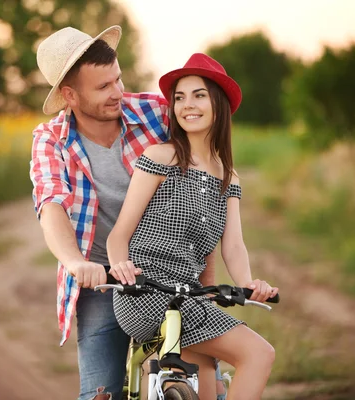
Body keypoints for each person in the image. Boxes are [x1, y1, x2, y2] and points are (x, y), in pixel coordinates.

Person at [30, 26, 226, 400]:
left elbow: (202, 188)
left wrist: (206, 280)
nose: (118, 93)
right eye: (103, 87)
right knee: (101, 393)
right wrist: (74, 262)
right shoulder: (51, 140)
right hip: (103, 278)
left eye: (117, 79)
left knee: (207, 390)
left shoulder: (157, 113)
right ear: (69, 95)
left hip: (171, 273)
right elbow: (51, 204)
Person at [107, 53, 278, 400]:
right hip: (146, 293)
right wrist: (120, 266)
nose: (187, 105)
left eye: (198, 95)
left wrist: (247, 284)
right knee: (259, 353)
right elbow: (119, 234)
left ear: (219, 104)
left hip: (190, 298)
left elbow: (233, 246)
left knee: (206, 392)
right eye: (180, 98)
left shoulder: (228, 178)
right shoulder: (160, 157)